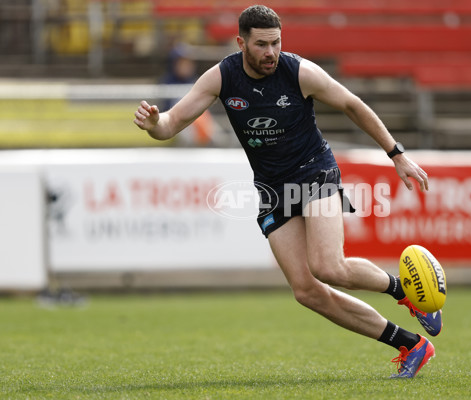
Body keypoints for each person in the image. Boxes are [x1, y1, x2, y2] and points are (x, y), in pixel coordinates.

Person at [134, 5, 440, 379]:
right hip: (271, 188)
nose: (270, 52)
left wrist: (397, 155)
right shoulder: (221, 78)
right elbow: (170, 125)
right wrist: (153, 124)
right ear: (240, 43)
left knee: (328, 267)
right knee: (307, 292)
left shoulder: (300, 72)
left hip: (314, 171)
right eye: (261, 44)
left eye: (276, 43)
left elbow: (352, 105)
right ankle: (411, 345)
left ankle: (404, 292)